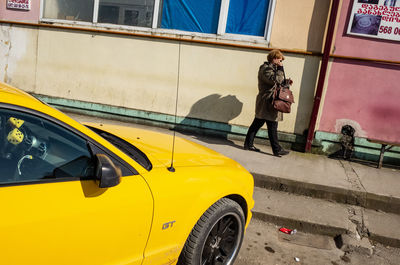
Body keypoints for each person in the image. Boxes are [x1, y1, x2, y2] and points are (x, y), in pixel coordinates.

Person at [244, 49, 293, 157]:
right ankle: (277, 149)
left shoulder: (272, 68)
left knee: (257, 123)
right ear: (274, 59)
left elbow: (278, 82)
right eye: (280, 60)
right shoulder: (266, 69)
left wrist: (286, 82)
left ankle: (248, 144)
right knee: (272, 125)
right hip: (267, 101)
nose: (281, 63)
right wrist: (280, 69)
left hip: (268, 101)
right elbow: (275, 80)